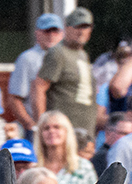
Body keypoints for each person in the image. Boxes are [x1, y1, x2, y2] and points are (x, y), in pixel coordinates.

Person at [32, 7, 96, 137]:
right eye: (77, 27)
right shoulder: (58, 53)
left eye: (86, 27)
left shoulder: (83, 54)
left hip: (84, 131)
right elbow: (39, 87)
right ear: (67, 28)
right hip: (62, 133)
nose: (81, 31)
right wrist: (42, 125)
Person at [8, 14, 63, 127]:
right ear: (37, 33)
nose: (51, 35)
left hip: (64, 125)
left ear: (62, 34)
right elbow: (15, 98)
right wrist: (32, 126)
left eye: (55, 31)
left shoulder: (67, 58)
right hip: (39, 124)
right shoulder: (27, 59)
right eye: (47, 31)